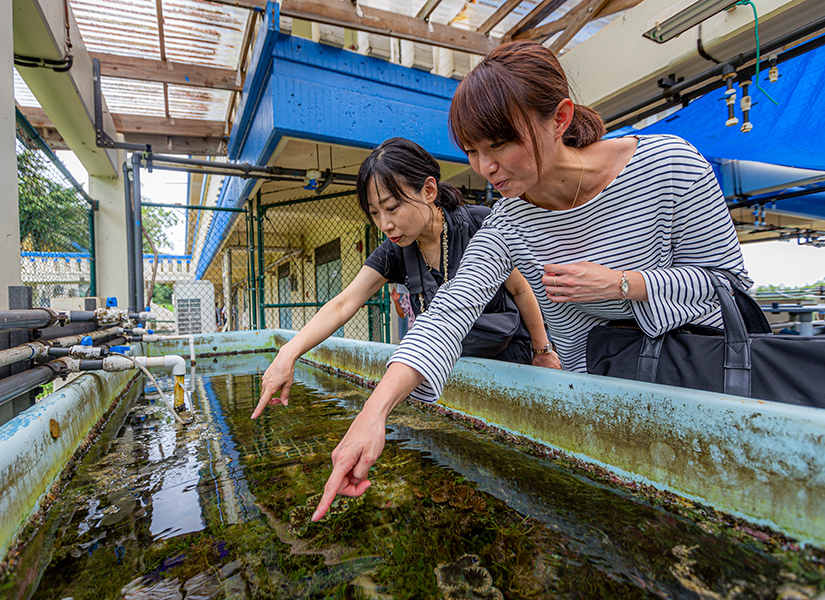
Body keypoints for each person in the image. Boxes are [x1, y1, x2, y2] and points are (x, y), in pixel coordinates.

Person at [308, 40, 750, 522]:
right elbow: (449, 313)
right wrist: (373, 414)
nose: (484, 167)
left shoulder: (668, 164)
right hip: (597, 400)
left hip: (697, 388)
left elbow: (728, 282)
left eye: (498, 145)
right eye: (473, 151)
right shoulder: (507, 222)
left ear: (559, 118)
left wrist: (624, 284)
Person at [251, 137, 560, 419]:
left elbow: (521, 290)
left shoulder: (480, 223)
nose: (384, 223)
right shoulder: (395, 250)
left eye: (392, 207)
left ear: (428, 190)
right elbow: (346, 301)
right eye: (374, 213)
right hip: (451, 369)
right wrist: (288, 352)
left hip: (511, 360)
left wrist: (542, 351)